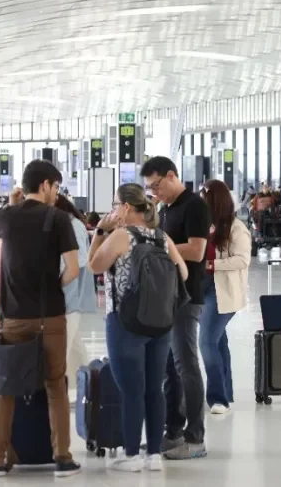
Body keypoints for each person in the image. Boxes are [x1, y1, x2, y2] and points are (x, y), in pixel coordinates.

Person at [0, 159, 81, 478]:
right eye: (55, 187)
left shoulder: (5, 216)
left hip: (14, 319)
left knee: (7, 388)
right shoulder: (58, 219)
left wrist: (12, 206)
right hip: (51, 318)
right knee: (56, 385)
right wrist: (50, 287)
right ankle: (62, 458)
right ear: (45, 185)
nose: (56, 193)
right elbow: (72, 270)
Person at [88, 183, 188, 472]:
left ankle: (131, 455)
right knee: (154, 389)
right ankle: (153, 454)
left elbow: (94, 266)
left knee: (131, 390)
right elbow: (182, 271)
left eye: (116, 204)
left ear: (127, 208)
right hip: (160, 322)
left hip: (125, 321)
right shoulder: (161, 237)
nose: (114, 209)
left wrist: (100, 232)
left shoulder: (121, 235)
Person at [141, 156, 211, 460]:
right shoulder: (167, 208)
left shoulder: (195, 205)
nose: (155, 192)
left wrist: (157, 245)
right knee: (170, 368)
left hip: (187, 297)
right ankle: (173, 431)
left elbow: (196, 250)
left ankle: (196, 438)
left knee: (186, 365)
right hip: (167, 296)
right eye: (149, 189)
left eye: (156, 185)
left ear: (171, 176)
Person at [199, 180, 251, 414]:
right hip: (201, 289)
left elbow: (242, 259)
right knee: (219, 342)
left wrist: (212, 264)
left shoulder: (236, 227)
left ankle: (217, 398)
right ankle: (226, 392)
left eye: (204, 196)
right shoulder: (202, 225)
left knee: (206, 342)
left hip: (222, 292)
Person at [54, 195, 98, 389]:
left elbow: (77, 263)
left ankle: (65, 390)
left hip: (69, 295)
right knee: (74, 347)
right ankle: (90, 387)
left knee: (61, 348)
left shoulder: (72, 227)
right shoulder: (72, 225)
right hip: (69, 295)